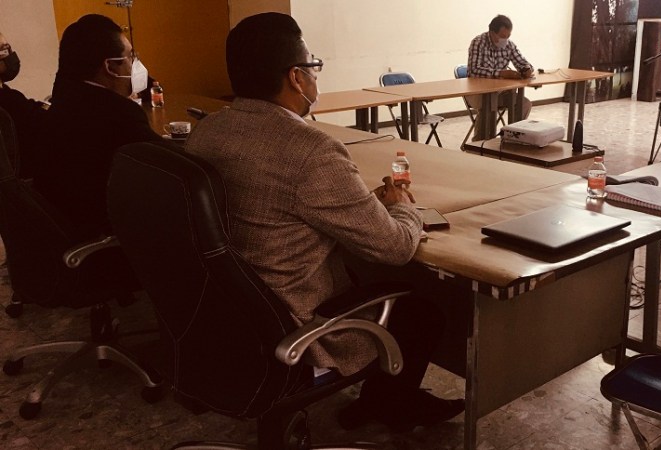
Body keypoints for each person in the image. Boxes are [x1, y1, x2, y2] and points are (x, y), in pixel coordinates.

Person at [184, 12, 464, 432]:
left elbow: (277, 206)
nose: (316, 75)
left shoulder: (208, 131)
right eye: (313, 65)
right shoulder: (311, 149)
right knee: (422, 311)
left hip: (227, 318)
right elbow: (394, 247)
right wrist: (401, 206)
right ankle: (390, 405)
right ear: (296, 77)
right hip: (294, 330)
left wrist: (358, 204)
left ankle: (382, 402)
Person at [33, 14, 161, 239]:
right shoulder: (119, 113)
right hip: (107, 233)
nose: (134, 64)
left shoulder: (62, 100)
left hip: (63, 225)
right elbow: (167, 167)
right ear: (110, 67)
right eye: (130, 56)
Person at [465, 14, 534, 138]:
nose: (505, 40)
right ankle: (480, 143)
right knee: (489, 104)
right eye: (502, 36)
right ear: (492, 33)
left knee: (524, 104)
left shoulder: (509, 45)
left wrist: (527, 69)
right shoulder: (478, 43)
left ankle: (512, 138)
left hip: (501, 93)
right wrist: (500, 73)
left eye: (508, 36)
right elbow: (473, 70)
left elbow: (523, 63)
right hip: (478, 93)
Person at [0, 31, 47, 178]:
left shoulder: (9, 94)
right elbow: (41, 122)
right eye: (4, 49)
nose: (10, 55)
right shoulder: (10, 100)